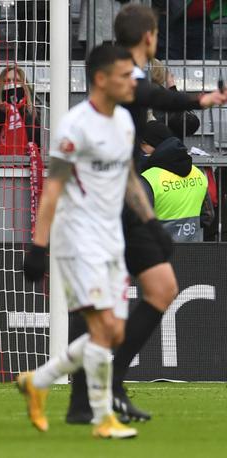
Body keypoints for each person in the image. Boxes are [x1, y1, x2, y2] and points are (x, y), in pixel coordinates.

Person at [66, 4, 227, 425]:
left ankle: (110, 385)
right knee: (104, 307)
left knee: (159, 288)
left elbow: (151, 95)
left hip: (126, 195)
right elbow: (152, 94)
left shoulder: (128, 71)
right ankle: (88, 397)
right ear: (150, 35)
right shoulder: (114, 67)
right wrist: (199, 98)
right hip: (102, 202)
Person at [20, 44, 159, 439]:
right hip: (77, 239)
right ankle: (103, 419)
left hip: (112, 237)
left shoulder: (126, 124)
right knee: (101, 329)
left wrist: (150, 224)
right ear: (100, 79)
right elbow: (53, 188)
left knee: (113, 332)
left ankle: (39, 381)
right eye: (123, 75)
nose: (132, 82)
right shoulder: (74, 126)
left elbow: (128, 178)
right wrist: (38, 246)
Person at [139, 121, 213, 241]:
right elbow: (207, 217)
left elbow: (137, 223)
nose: (139, 149)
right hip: (194, 252)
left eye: (142, 143)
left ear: (156, 144)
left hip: (160, 255)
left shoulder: (149, 178)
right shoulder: (197, 173)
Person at [0, 64, 41, 155]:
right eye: (7, 81)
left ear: (23, 84)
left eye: (17, 80)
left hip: (28, 163)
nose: (12, 84)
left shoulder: (35, 110)